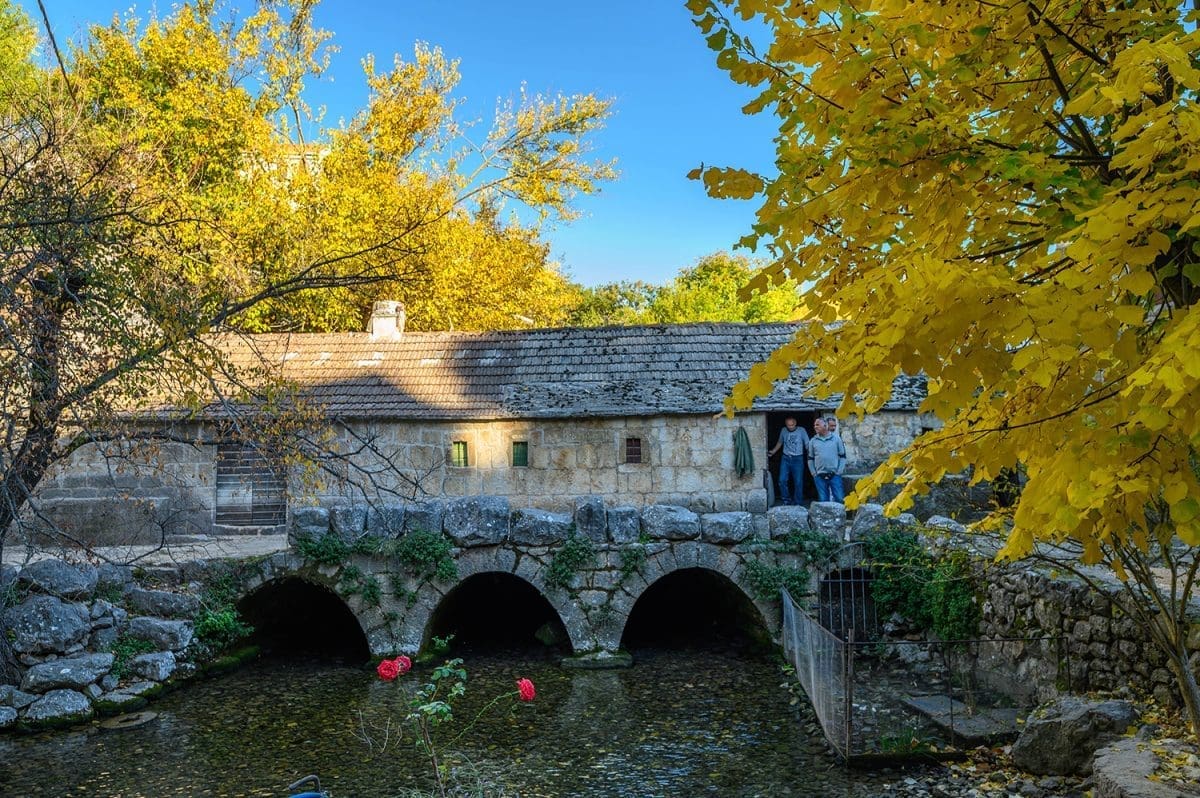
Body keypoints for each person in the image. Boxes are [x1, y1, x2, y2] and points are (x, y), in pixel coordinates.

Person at [768, 416, 809, 505]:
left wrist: (811, 455)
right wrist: (773, 452)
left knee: (798, 481)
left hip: (798, 458)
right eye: (788, 425)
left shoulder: (801, 430)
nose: (790, 427)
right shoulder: (783, 430)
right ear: (786, 424)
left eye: (792, 425)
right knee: (782, 480)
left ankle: (798, 502)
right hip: (786, 458)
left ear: (795, 423)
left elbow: (807, 444)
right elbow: (780, 442)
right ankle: (786, 500)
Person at [808, 417, 847, 502]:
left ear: (825, 426)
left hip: (835, 475)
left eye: (817, 425)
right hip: (819, 476)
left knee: (840, 499)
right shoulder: (813, 441)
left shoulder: (836, 439)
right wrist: (814, 473)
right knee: (823, 501)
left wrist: (839, 472)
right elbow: (810, 458)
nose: (815, 427)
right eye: (814, 425)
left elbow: (843, 456)